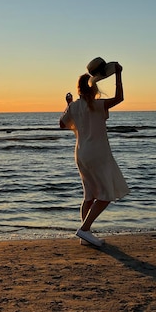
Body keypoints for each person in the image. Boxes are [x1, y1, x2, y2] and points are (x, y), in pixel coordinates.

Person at [60, 63, 129, 247]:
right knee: (106, 194)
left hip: (81, 153)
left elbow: (62, 124)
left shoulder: (74, 106)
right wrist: (118, 74)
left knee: (89, 196)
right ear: (94, 87)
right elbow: (120, 97)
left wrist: (68, 106)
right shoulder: (97, 105)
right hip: (97, 153)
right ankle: (84, 229)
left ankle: (86, 236)